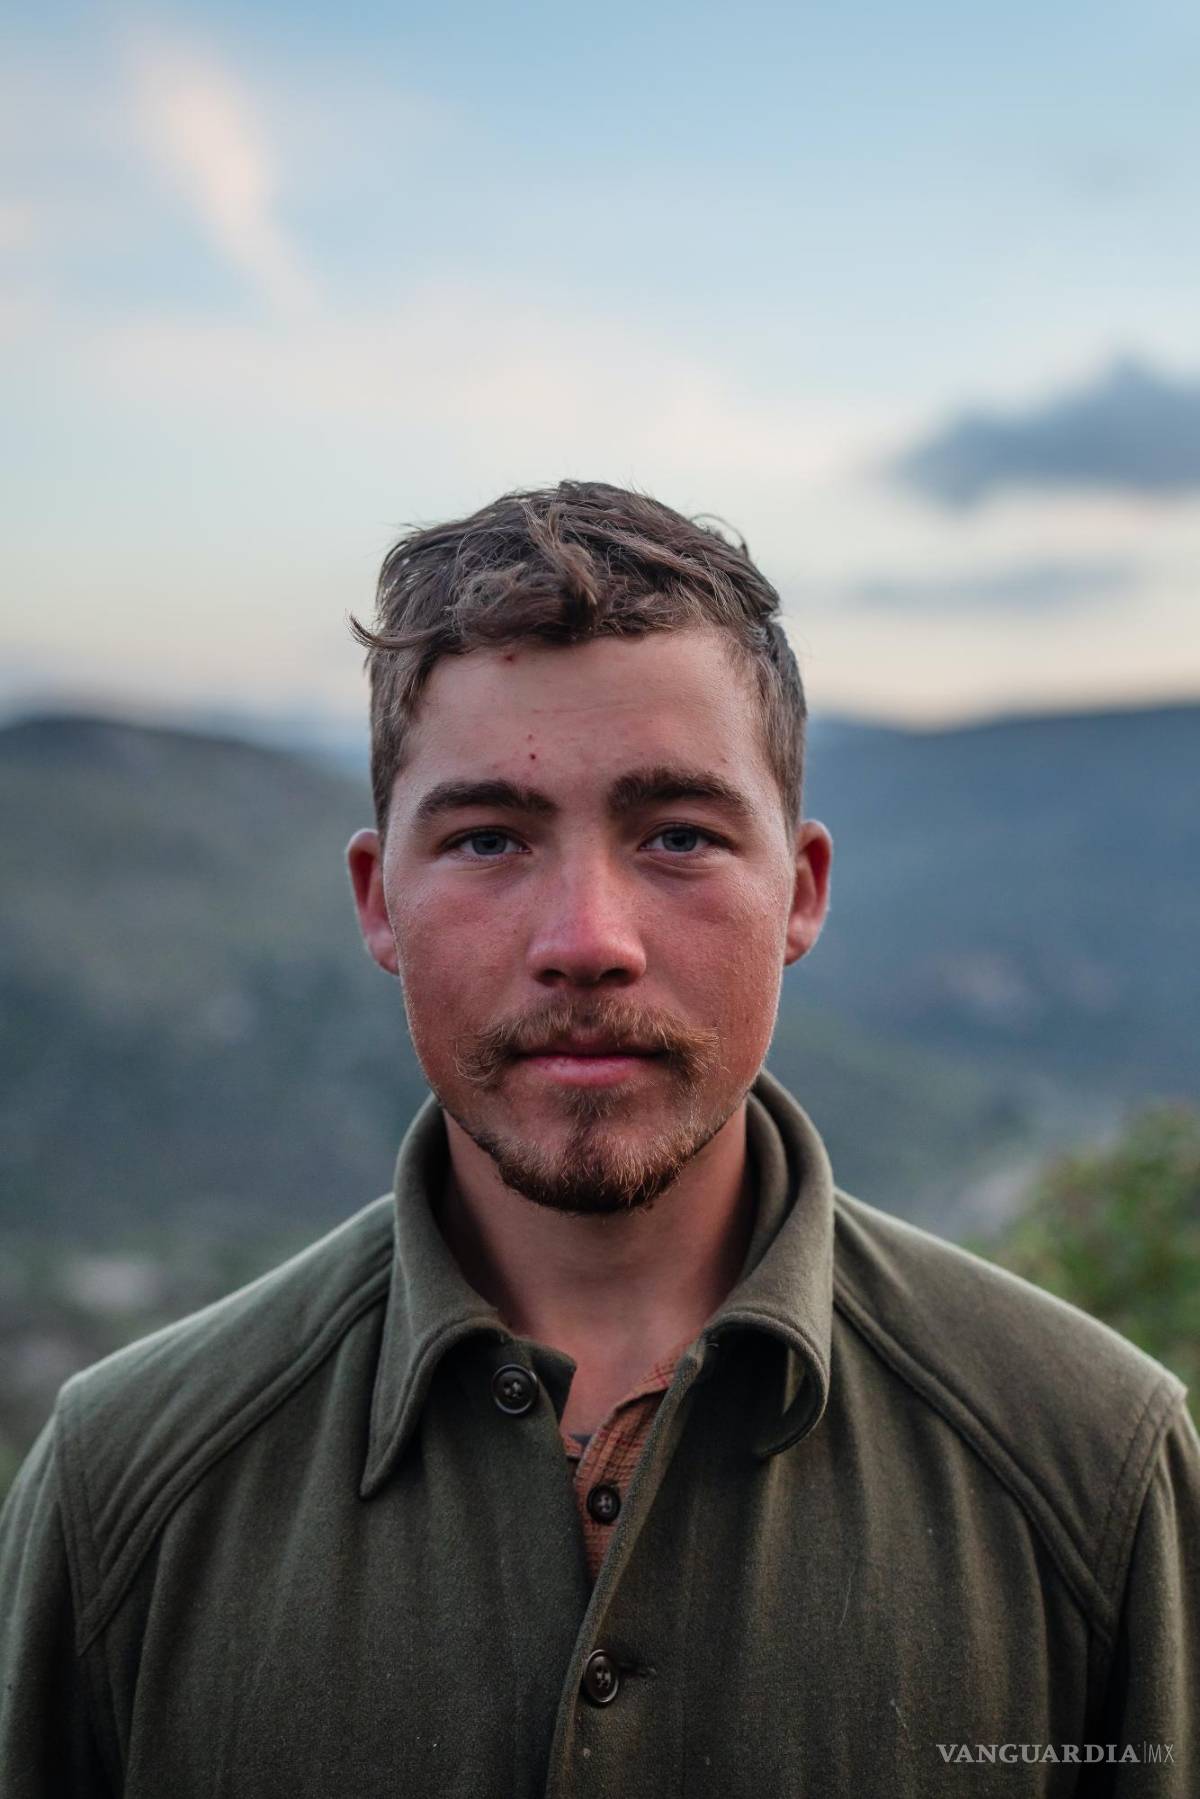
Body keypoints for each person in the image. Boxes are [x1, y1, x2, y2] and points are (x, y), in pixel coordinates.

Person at [1, 481, 1195, 1797]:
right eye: (489, 839)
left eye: (678, 834)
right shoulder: (123, 1495)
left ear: (798, 893)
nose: (587, 941)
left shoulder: (1092, 1472)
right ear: (378, 900)